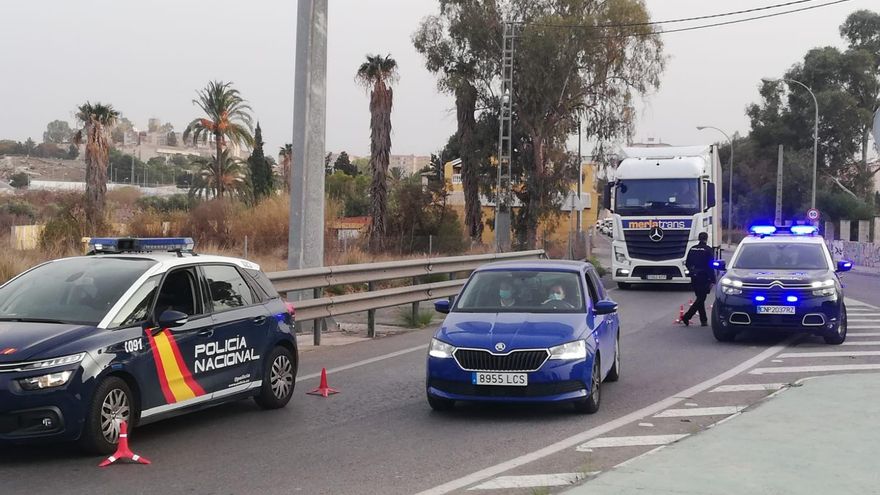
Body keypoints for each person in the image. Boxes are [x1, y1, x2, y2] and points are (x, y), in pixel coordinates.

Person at [683, 232, 715, 326]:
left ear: (698, 238)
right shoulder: (708, 250)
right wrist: (713, 279)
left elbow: (687, 262)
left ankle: (703, 320)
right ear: (706, 239)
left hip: (694, 276)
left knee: (700, 298)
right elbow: (710, 265)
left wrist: (692, 271)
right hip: (703, 277)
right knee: (701, 298)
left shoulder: (692, 249)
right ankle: (687, 316)